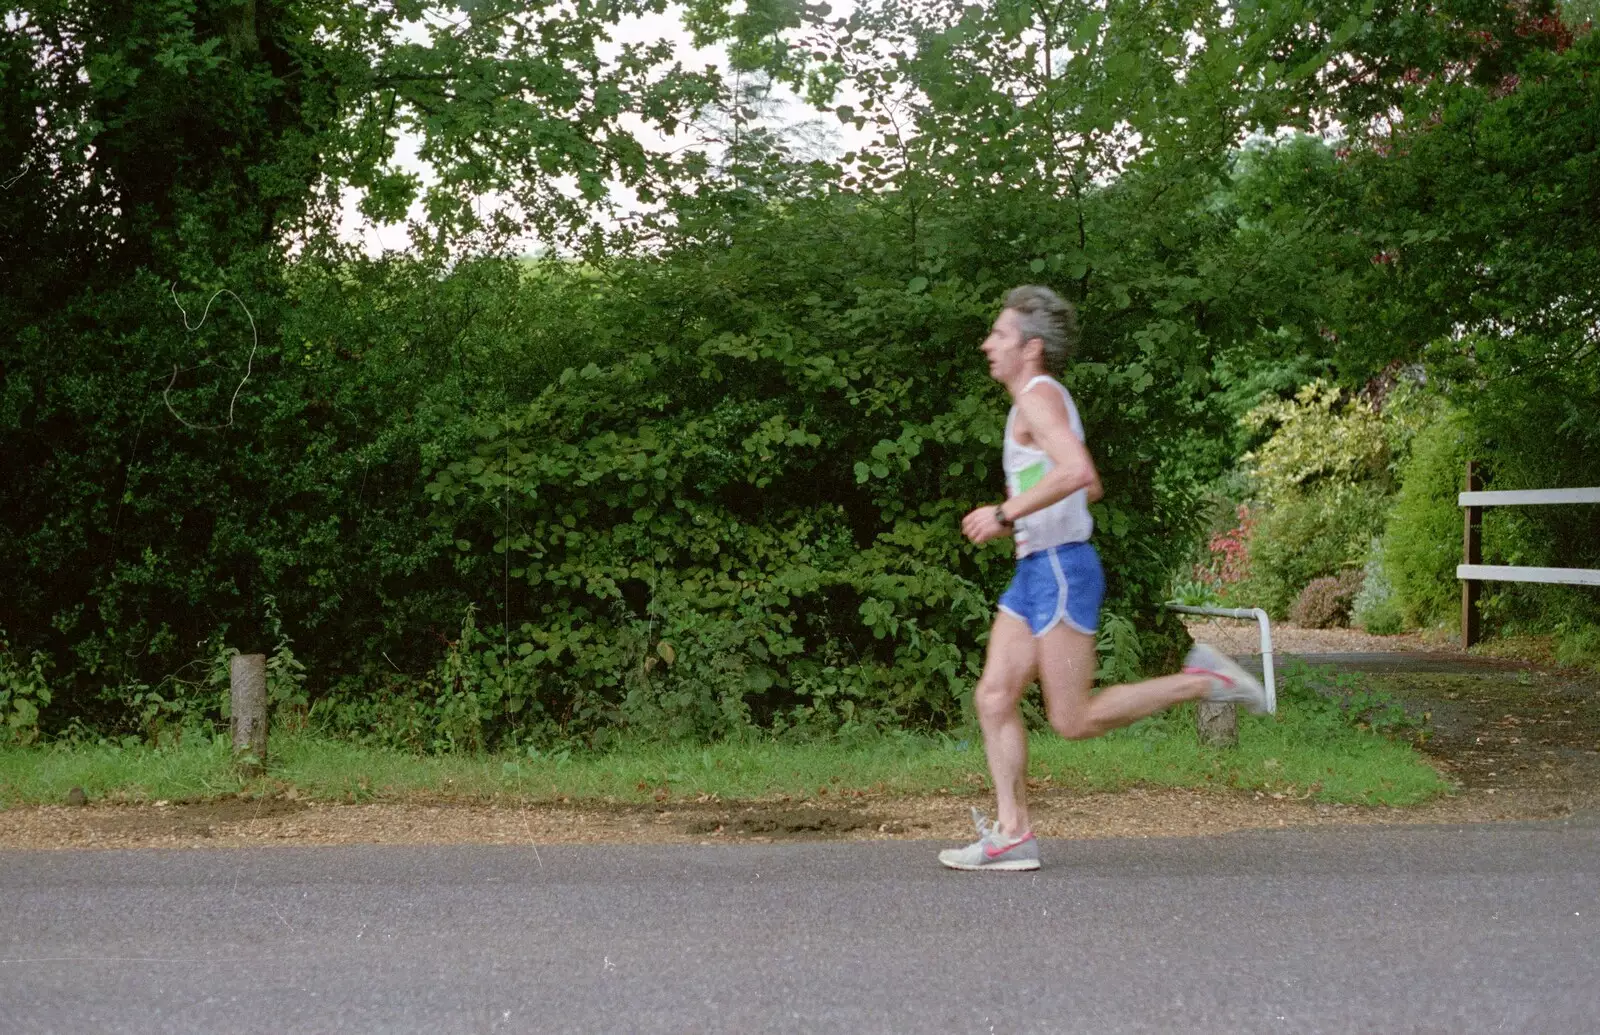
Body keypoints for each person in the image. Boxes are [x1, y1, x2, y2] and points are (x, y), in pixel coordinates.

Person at [937, 285, 1272, 873]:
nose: (987, 343)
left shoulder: (1038, 397)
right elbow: (1085, 485)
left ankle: (1201, 680)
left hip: (1062, 567)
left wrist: (1004, 513)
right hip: (1036, 570)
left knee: (1072, 719)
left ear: (1031, 347)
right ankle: (1013, 834)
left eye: (1000, 335)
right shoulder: (1036, 403)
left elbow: (1079, 472)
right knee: (993, 697)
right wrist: (1042, 496)